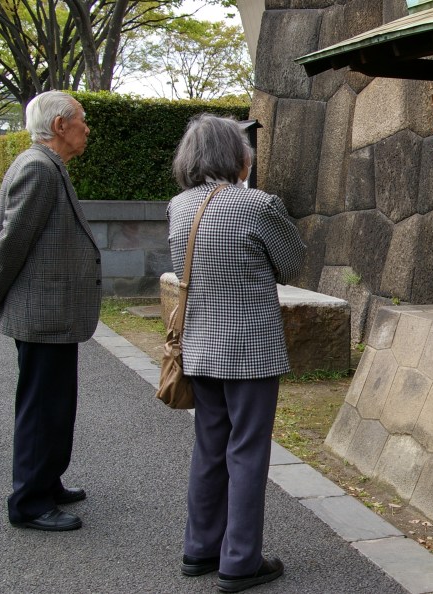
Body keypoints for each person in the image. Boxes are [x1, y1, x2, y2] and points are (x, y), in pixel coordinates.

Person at [167, 114, 306, 593]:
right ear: (236, 156)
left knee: (210, 447)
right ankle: (240, 561)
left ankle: (199, 548)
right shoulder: (257, 205)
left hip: (199, 346)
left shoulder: (179, 207)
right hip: (249, 349)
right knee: (247, 451)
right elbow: (291, 263)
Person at [0, 91, 100, 532]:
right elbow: (9, 244)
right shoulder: (39, 169)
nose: (86, 128)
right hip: (41, 315)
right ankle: (30, 502)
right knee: (42, 407)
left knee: (55, 403)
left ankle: (47, 481)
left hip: (50, 313)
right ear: (60, 126)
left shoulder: (47, 166)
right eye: (81, 120)